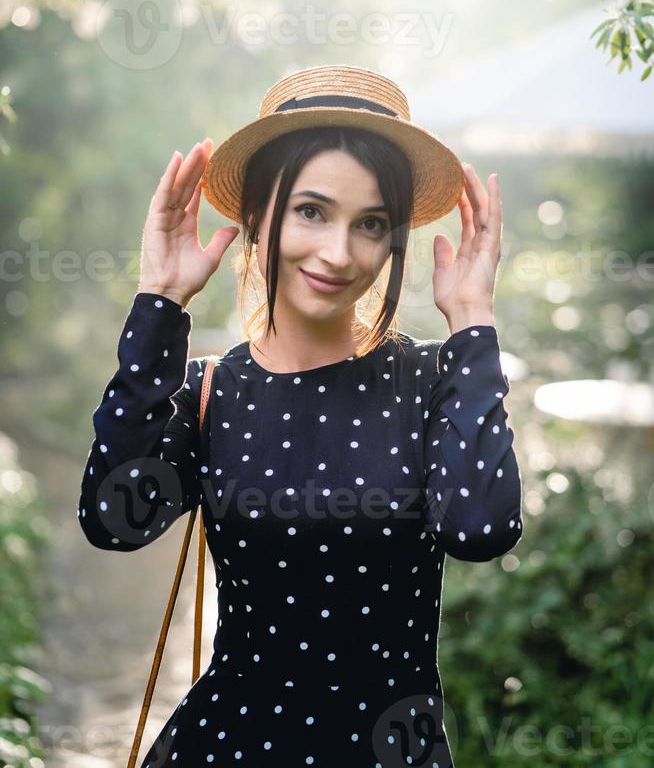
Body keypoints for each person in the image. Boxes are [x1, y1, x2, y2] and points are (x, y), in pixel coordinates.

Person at [77, 64, 524, 768]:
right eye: (311, 211)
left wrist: (473, 319)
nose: (339, 253)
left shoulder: (434, 379)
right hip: (230, 747)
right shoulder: (210, 392)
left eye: (371, 223)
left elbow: (480, 529)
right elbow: (111, 523)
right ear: (257, 214)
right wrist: (159, 305)